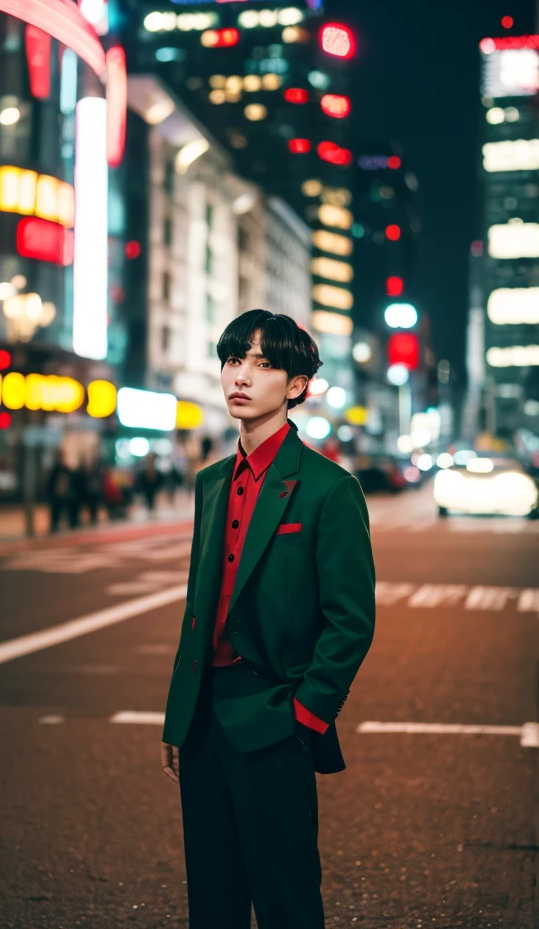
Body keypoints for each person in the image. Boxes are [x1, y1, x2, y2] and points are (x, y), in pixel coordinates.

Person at [160, 309, 376, 929]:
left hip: (275, 716)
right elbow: (198, 610)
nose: (242, 377)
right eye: (233, 360)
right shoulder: (210, 484)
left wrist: (304, 716)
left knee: (286, 901)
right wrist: (181, 714)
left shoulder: (329, 490)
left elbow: (351, 621)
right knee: (213, 898)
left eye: (263, 363)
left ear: (298, 385)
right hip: (204, 719)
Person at [46, 452, 79, 532]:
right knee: (56, 512)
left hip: (64, 494)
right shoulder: (56, 469)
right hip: (57, 495)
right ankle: (55, 525)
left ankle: (69, 523)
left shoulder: (64, 469)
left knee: (63, 511)